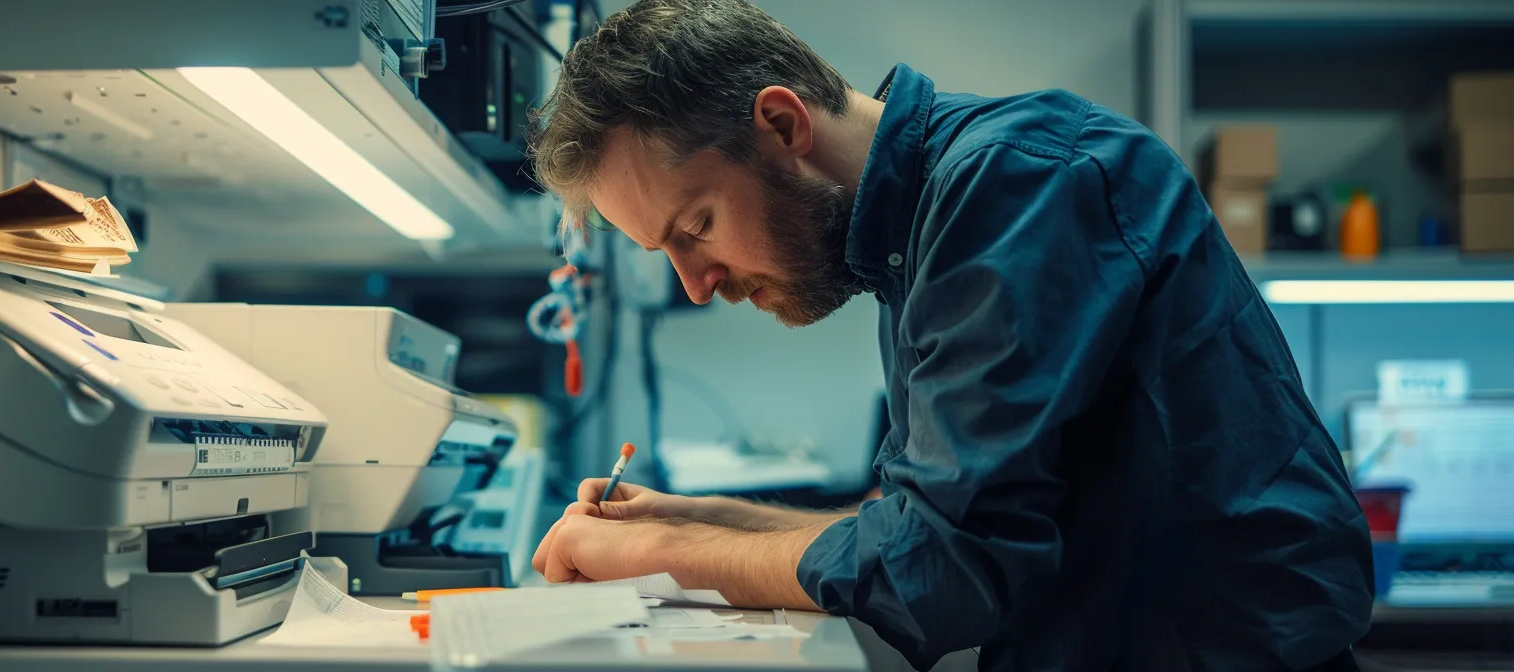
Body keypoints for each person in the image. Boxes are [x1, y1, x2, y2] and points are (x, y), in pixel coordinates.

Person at [525, 0, 1375, 669]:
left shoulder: (1016, 187)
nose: (696, 285)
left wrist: (658, 552)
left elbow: (941, 572)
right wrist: (702, 520)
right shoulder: (918, 234)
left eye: (696, 227)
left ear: (782, 126)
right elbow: (918, 521)